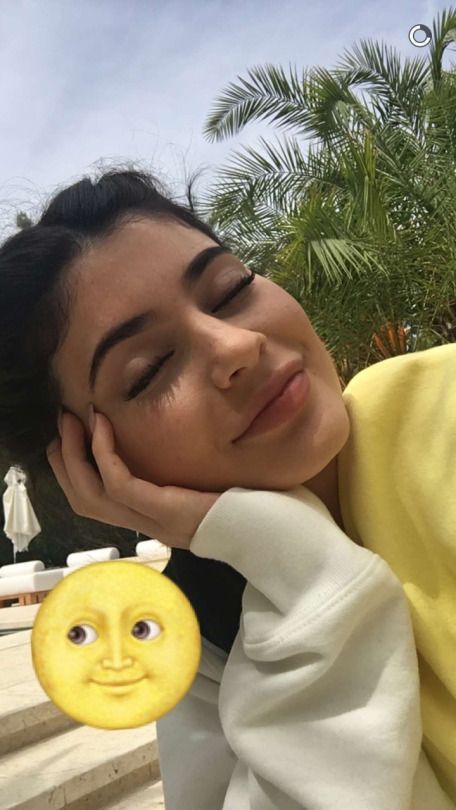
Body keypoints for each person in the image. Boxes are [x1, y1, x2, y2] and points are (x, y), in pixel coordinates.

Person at [0, 169, 453, 809]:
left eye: (231, 290)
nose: (238, 345)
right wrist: (297, 566)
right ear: (89, 465)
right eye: (151, 369)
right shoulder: (205, 626)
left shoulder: (441, 413)